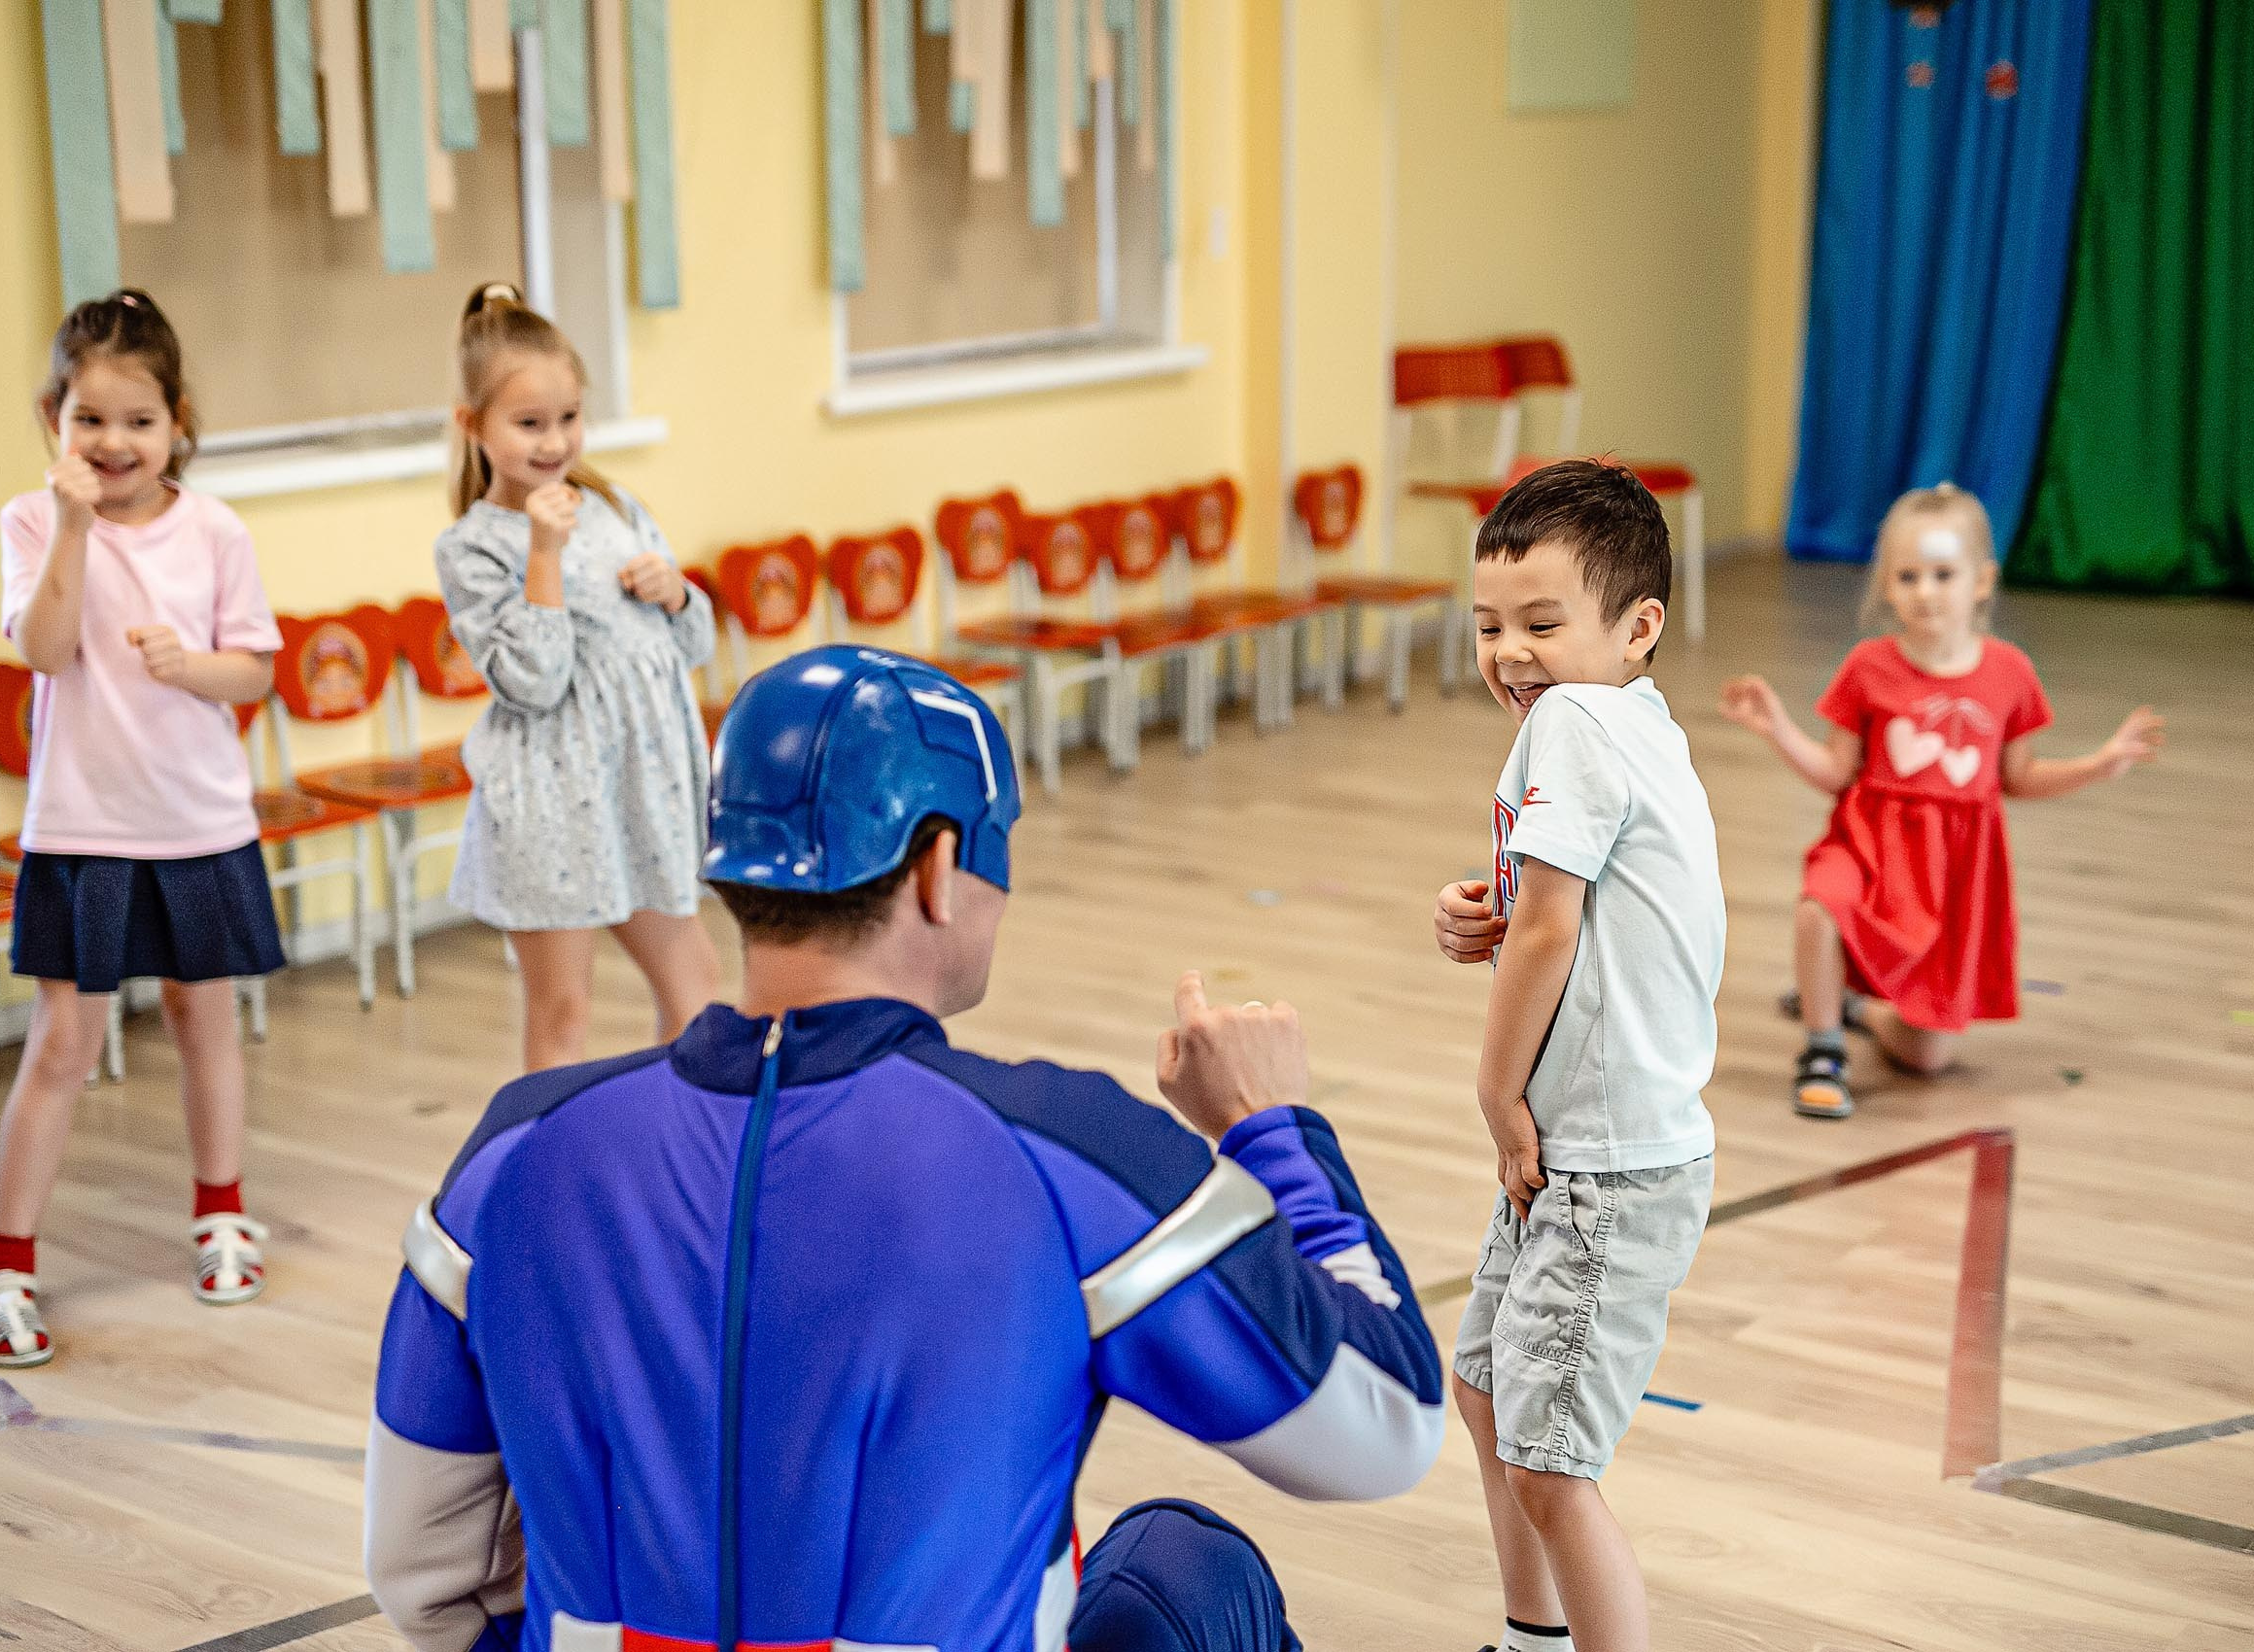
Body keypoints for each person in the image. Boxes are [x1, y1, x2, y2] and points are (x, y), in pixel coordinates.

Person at [363, 646, 1445, 1652]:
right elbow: (1383, 1424)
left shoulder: (512, 1151)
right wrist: (1274, 1128)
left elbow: (421, 1572)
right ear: (938, 865)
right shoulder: (1062, 1153)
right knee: (1183, 1562)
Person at [1431, 461, 1726, 1652]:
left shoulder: (1577, 719)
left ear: (1638, 626)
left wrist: (1495, 1089)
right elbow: (1553, 912)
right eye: (1490, 624)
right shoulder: (1634, 723)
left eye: (1544, 623)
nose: (1512, 651)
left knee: (1551, 1462)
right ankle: (1532, 1638)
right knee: (1493, 1389)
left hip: (1597, 1157)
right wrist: (1478, 916)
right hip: (1585, 1147)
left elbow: (1555, 926)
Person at [0, 289, 285, 1368]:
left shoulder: (217, 530)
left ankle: (222, 1210)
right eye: (89, 420)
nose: (114, 442)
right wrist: (70, 524)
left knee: (206, 1014)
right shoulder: (30, 520)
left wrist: (187, 667)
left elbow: (254, 665)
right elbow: (47, 651)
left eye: (139, 420)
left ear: (179, 420)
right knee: (65, 1039)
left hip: (197, 818)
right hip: (85, 826)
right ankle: (4, 1264)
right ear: (55, 418)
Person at [1718, 482, 2165, 1119]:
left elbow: (2019, 777)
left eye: (1943, 574)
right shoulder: (1868, 666)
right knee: (1821, 905)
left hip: (1952, 877)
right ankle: (1823, 1050)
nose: (1925, 591)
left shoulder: (2009, 672)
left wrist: (2099, 764)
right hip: (1869, 847)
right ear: (1888, 585)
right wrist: (1780, 731)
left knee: (1929, 1059)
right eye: (1908, 575)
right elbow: (1835, 772)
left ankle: (1854, 1007)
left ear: (1982, 581)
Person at [435, 281, 722, 1073]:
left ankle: (678, 1161)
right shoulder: (474, 547)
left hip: (639, 788)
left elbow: (691, 643)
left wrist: (679, 593)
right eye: (529, 424)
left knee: (697, 983)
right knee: (564, 1014)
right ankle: (547, 1188)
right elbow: (532, 680)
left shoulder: (617, 504)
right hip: (552, 807)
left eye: (568, 418)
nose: (555, 441)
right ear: (474, 427)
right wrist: (543, 555)